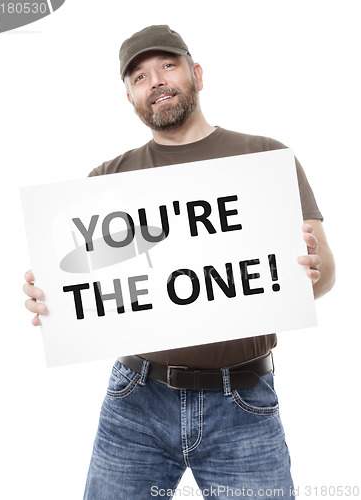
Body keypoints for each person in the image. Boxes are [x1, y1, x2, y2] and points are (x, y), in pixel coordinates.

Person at [23, 25, 335, 499]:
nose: (157, 82)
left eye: (168, 66)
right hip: (136, 400)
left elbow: (324, 272)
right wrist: (49, 295)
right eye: (140, 76)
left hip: (243, 402)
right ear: (129, 97)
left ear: (197, 74)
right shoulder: (106, 180)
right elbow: (83, 287)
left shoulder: (264, 159)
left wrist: (311, 271)